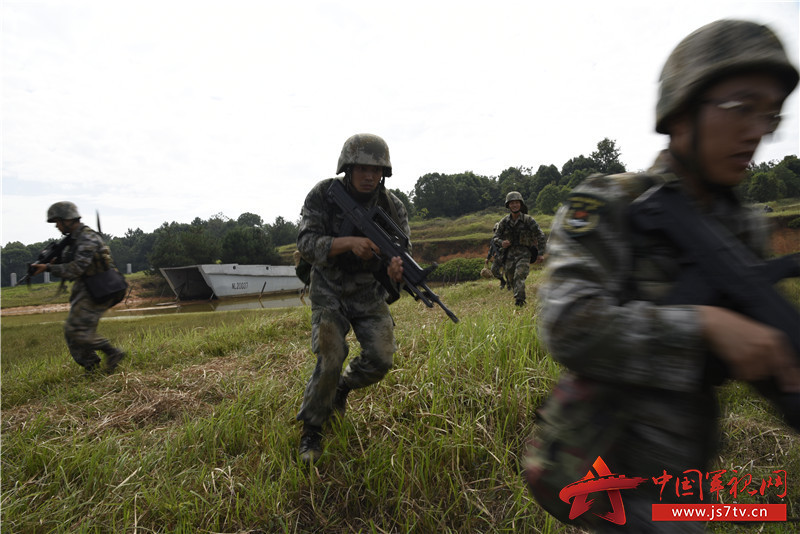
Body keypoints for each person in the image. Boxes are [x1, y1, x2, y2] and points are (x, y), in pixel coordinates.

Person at [523, 20, 800, 532]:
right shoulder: (610, 202)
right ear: (680, 112)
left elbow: (765, 352)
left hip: (683, 476)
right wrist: (704, 326)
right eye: (741, 106)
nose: (756, 130)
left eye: (770, 114)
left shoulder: (745, 225)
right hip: (599, 466)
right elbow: (567, 323)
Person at [295, 133, 410, 464]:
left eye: (376, 170)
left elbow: (404, 250)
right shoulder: (324, 195)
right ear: (347, 167)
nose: (369, 176)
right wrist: (347, 243)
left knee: (382, 358)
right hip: (329, 289)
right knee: (331, 355)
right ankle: (312, 429)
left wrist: (397, 270)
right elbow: (306, 242)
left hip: (368, 292)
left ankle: (340, 390)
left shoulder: (392, 206)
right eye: (361, 168)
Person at [30, 201, 126, 374]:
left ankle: (112, 352)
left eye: (58, 222)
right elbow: (74, 263)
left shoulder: (87, 237)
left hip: (102, 287)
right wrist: (55, 261)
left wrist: (49, 268)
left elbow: (77, 268)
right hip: (88, 288)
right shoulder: (73, 240)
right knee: (72, 333)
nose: (57, 226)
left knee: (76, 330)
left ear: (68, 219)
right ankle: (91, 367)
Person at [491, 191, 546, 306]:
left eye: (516, 203)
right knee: (510, 279)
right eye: (512, 203)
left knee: (519, 275)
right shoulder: (504, 222)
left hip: (524, 253)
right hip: (509, 254)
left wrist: (540, 253)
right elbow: (495, 237)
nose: (514, 205)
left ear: (520, 204)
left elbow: (540, 235)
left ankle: (520, 302)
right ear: (508, 205)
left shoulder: (528, 220)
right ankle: (517, 296)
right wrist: (502, 242)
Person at [483, 223, 508, 289]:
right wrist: (488, 258)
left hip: (507, 257)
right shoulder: (494, 239)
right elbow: (491, 249)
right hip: (498, 258)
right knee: (493, 270)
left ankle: (509, 284)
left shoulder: (506, 238)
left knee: (508, 272)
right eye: (495, 231)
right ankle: (502, 281)